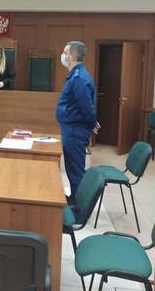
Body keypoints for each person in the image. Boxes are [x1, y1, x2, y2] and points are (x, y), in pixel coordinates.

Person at [56, 41, 99, 199]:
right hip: (72, 128)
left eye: (65, 52)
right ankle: (74, 199)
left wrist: (92, 122)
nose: (63, 55)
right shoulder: (75, 75)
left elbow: (86, 106)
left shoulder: (79, 77)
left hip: (75, 130)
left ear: (73, 56)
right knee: (72, 168)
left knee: (75, 171)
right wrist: (93, 122)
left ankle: (79, 206)